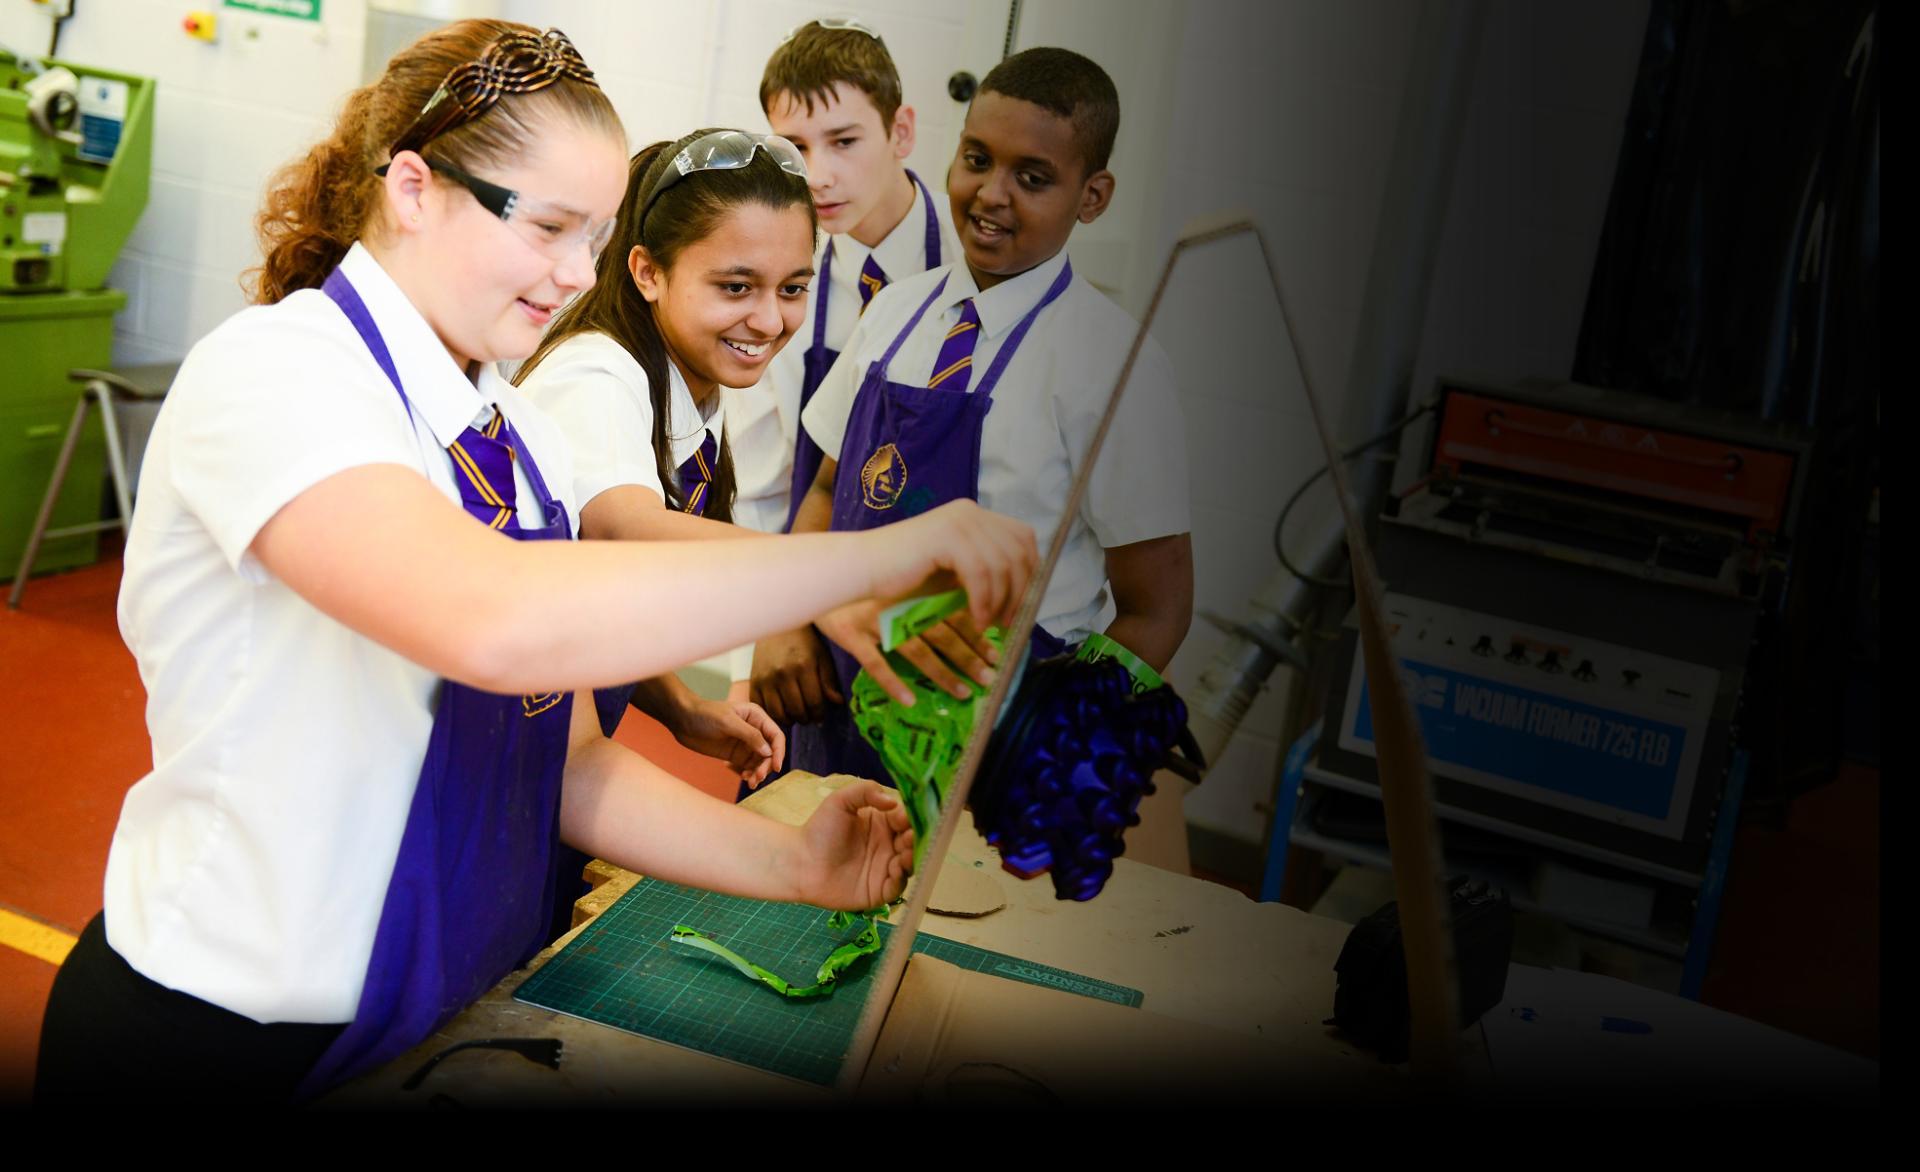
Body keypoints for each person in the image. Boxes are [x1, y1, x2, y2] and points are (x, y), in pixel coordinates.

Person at [33, 20, 1035, 1105]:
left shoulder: (515, 433)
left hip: (427, 1019)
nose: (575, 274)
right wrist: (853, 567)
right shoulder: (277, 375)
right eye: (549, 226)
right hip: (210, 1040)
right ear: (413, 188)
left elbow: (569, 762)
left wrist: (793, 866)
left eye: (596, 237)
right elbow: (493, 622)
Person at [757, 47, 1193, 784]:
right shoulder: (894, 313)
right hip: (840, 717)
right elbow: (829, 494)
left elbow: (1158, 608)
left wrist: (1057, 737)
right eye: (977, 159)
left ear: (1092, 197)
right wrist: (783, 621)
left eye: (1032, 178)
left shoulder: (1113, 364)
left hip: (991, 746)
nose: (992, 194)